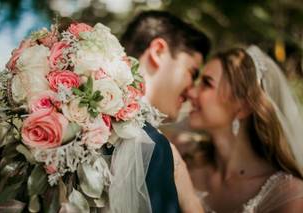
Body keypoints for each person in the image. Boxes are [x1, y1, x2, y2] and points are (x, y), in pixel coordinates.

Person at [186, 45, 303, 212]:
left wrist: (189, 200)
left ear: (243, 106)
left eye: (206, 83)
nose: (191, 92)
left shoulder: (288, 196)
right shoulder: (186, 162)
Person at [121, 10, 210, 212]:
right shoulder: (155, 147)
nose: (192, 92)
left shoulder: (73, 118)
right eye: (192, 73)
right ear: (158, 51)